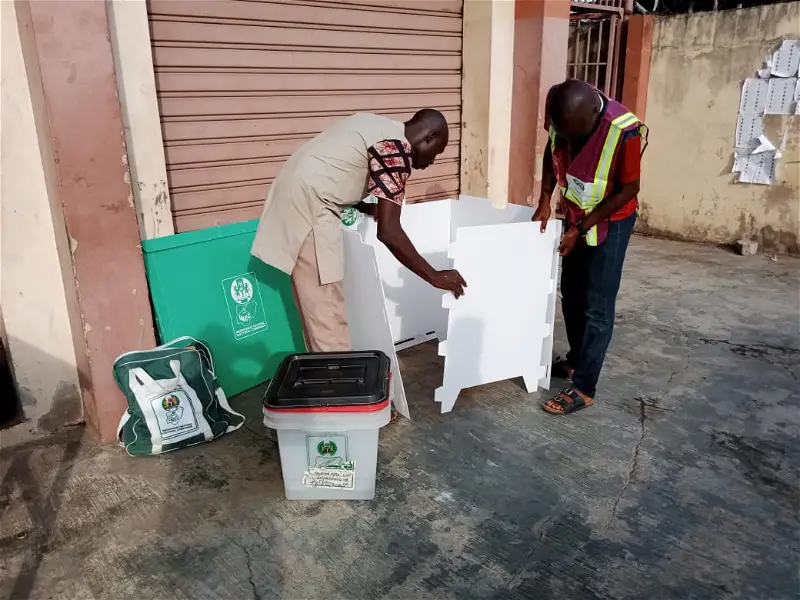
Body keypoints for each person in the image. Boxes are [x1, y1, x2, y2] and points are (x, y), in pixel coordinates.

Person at [251, 110, 467, 352]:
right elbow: (389, 232)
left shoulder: (374, 124)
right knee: (328, 317)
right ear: (430, 136)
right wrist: (434, 276)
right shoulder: (396, 150)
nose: (432, 162)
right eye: (437, 152)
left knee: (316, 313)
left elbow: (336, 165)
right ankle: (336, 383)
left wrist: (365, 206)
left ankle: (324, 376)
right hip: (312, 208)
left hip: (294, 196)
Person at [532, 79, 648, 416]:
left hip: (612, 221)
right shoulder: (559, 109)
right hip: (577, 215)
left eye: (576, 136)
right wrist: (544, 199)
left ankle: (584, 386)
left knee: (597, 304)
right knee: (571, 291)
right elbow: (551, 152)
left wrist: (581, 228)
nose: (570, 142)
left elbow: (628, 190)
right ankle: (576, 359)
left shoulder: (623, 132)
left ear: (593, 116)